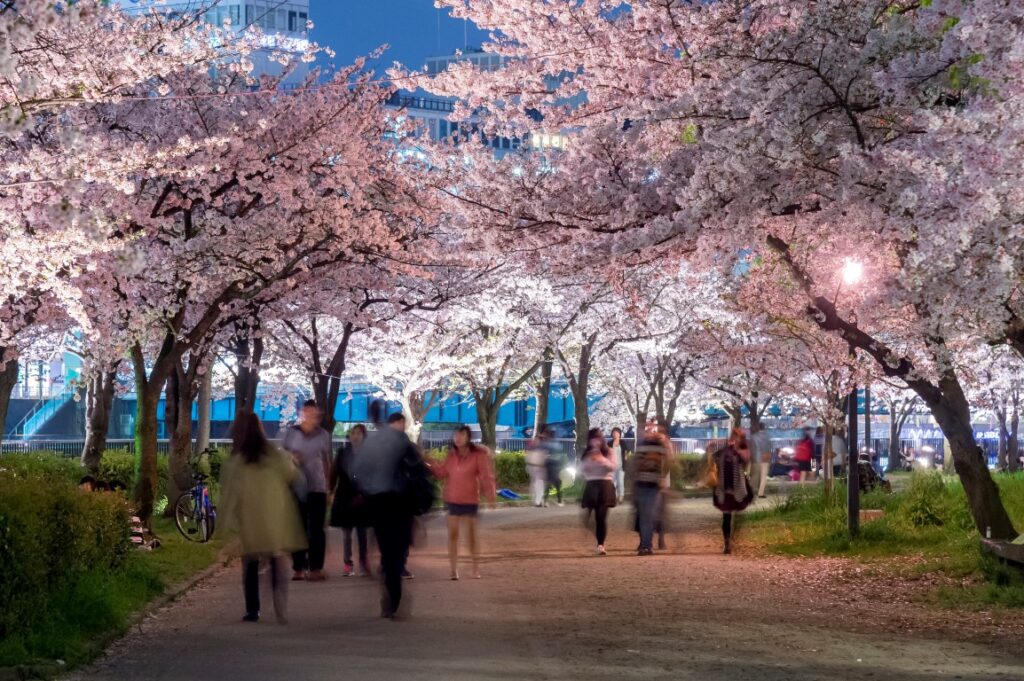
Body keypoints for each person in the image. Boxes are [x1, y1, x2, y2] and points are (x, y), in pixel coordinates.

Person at [220, 411, 306, 623]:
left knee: (250, 562)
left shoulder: (236, 461)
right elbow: (293, 475)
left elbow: (228, 494)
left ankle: (252, 609)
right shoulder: (274, 454)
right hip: (274, 514)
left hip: (249, 518)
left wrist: (222, 525)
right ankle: (278, 599)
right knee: (276, 558)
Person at [352, 402, 422, 618]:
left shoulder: (372, 443)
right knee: (398, 551)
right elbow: (418, 469)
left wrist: (365, 491)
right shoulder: (402, 441)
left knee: (387, 549)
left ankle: (391, 592)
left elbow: (358, 471)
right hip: (401, 504)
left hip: (381, 504)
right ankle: (394, 591)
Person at [429, 425, 496, 580]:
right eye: (456, 435)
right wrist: (427, 462)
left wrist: (490, 495)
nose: (457, 438)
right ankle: (453, 570)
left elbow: (487, 476)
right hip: (452, 499)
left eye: (461, 435)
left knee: (471, 536)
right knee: (453, 534)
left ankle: (475, 568)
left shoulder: (478, 455)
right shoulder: (452, 455)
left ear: (468, 437)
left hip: (470, 499)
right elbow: (441, 471)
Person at [282, 399, 332, 582]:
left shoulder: (323, 435)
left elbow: (327, 461)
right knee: (298, 527)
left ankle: (316, 567)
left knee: (317, 529)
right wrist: (292, 458)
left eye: (314, 413)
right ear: (303, 412)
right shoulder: (291, 433)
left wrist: (328, 487)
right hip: (296, 485)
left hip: (317, 486)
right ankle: (298, 567)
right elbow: (283, 458)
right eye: (308, 412)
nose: (312, 416)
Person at [330, 424, 370, 577]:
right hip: (345, 496)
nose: (355, 436)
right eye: (353, 433)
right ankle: (348, 563)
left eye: (359, 433)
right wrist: (330, 489)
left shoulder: (368, 455)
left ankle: (363, 562)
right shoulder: (342, 452)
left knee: (362, 533)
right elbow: (334, 472)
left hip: (362, 497)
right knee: (346, 534)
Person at [712, 428, 754, 554]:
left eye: (739, 437)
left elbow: (746, 461)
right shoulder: (725, 450)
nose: (736, 439)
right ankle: (727, 542)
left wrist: (738, 451)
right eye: (735, 436)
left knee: (738, 513)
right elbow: (714, 458)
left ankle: (732, 538)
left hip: (738, 486)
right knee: (727, 516)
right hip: (725, 487)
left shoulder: (743, 450)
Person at [631, 429, 670, 556]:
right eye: (647, 430)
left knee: (647, 516)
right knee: (644, 517)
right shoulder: (642, 446)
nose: (649, 432)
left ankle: (647, 545)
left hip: (653, 485)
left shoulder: (660, 447)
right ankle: (645, 544)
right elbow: (636, 464)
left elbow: (668, 462)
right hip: (641, 483)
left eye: (652, 430)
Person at [581, 428, 617, 555]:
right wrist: (590, 459)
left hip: (605, 485)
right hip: (591, 485)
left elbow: (613, 467)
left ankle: (600, 544)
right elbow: (582, 470)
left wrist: (600, 458)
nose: (596, 441)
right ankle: (596, 535)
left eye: (599, 437)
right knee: (588, 518)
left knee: (601, 517)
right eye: (593, 438)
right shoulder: (587, 454)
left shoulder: (608, 452)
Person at [540, 426, 566, 507]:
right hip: (555, 465)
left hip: (548, 465)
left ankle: (545, 501)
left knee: (549, 482)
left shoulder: (546, 444)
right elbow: (561, 455)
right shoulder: (557, 445)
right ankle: (559, 501)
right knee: (557, 483)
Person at [749, 422, 771, 499]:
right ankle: (761, 493)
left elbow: (751, 448)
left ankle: (749, 492)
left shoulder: (753, 437)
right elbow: (769, 447)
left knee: (754, 476)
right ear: (764, 427)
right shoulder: (767, 436)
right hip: (765, 458)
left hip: (756, 458)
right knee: (763, 476)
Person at [607, 427, 630, 503]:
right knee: (612, 483)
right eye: (614, 433)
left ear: (619, 434)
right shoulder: (609, 443)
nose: (615, 434)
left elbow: (627, 450)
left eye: (617, 433)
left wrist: (626, 456)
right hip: (612, 466)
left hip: (621, 466)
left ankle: (621, 496)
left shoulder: (622, 443)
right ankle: (614, 496)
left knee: (620, 481)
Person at [525, 436, 548, 507]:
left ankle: (538, 501)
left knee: (538, 485)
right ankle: (538, 501)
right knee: (538, 485)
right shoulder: (536, 449)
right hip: (536, 468)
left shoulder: (535, 449)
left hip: (537, 468)